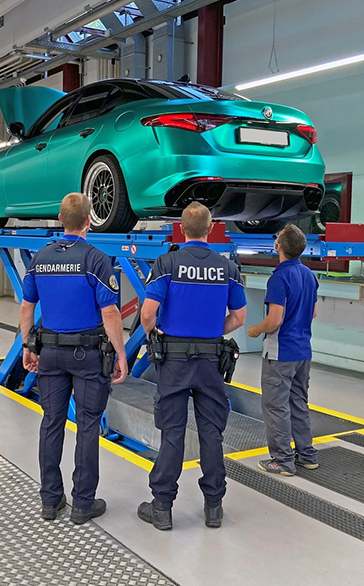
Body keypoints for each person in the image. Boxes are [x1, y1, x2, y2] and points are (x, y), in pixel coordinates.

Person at [20, 192, 128, 524]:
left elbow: (27, 307)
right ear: (88, 220)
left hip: (50, 354)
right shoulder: (96, 259)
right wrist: (121, 354)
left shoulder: (40, 258)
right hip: (88, 356)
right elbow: (109, 312)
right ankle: (83, 503)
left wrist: (28, 346)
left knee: (51, 423)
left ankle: (50, 501)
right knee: (87, 426)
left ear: (60, 218)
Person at [138, 202, 247, 530]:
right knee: (211, 431)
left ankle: (162, 506)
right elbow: (239, 317)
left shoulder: (167, 262)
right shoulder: (226, 267)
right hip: (211, 360)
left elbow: (147, 312)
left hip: (173, 359)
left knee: (172, 431)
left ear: (182, 229)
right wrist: (214, 331)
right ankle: (214, 506)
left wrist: (153, 329)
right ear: (210, 228)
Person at [247, 223, 320, 476]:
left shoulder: (279, 277)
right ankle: (307, 455)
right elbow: (313, 313)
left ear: (278, 247)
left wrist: (256, 329)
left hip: (280, 354)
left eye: (276, 239)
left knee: (275, 406)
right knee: (298, 403)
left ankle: (282, 460)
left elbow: (275, 320)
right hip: (303, 351)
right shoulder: (309, 275)